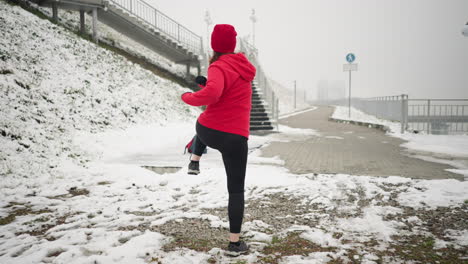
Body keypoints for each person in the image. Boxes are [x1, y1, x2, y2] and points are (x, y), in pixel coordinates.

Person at [181, 24, 256, 256]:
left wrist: (189, 96)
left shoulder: (218, 66)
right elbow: (224, 90)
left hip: (210, 131)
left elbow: (214, 94)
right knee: (236, 191)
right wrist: (207, 84)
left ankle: (195, 159)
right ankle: (235, 244)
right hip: (236, 138)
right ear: (232, 45)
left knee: (202, 121)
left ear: (214, 46)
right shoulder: (244, 69)